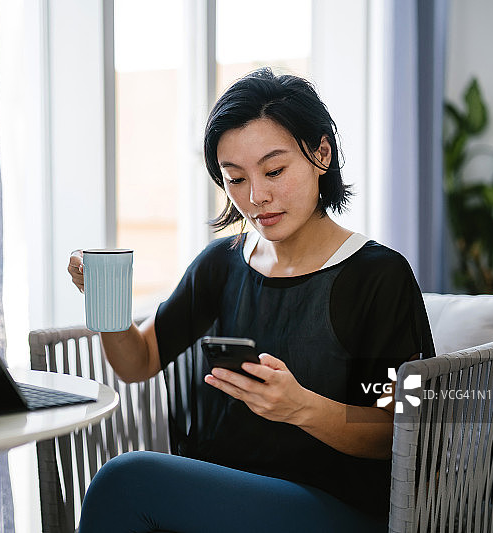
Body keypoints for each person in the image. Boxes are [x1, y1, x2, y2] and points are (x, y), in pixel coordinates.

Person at [67, 67, 435, 533]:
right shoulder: (223, 261)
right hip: (227, 494)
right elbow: (139, 361)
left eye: (274, 171)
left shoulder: (379, 275)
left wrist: (300, 406)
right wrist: (106, 301)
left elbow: (399, 431)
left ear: (321, 154)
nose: (257, 197)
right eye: (235, 178)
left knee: (125, 480)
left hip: (338, 509)